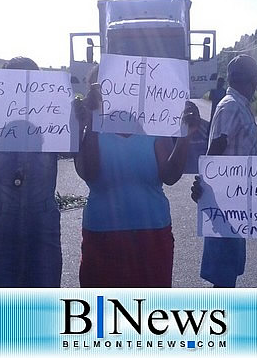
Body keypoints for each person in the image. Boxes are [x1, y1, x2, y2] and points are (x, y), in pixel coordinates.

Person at [74, 66, 201, 287]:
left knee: (150, 312)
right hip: (102, 236)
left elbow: (169, 176)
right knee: (102, 314)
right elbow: (89, 173)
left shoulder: (151, 125)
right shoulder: (89, 128)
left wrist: (185, 137)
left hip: (152, 234)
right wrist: (92, 121)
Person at [0, 57, 64, 288]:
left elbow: (77, 151)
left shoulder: (53, 115)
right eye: (14, 81)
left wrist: (81, 117)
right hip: (0, 220)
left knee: (43, 305)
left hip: (42, 220)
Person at [197, 54, 257, 288]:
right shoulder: (232, 106)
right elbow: (217, 146)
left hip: (236, 199)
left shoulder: (238, 104)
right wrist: (206, 188)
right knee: (224, 272)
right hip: (227, 200)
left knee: (229, 268)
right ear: (249, 80)